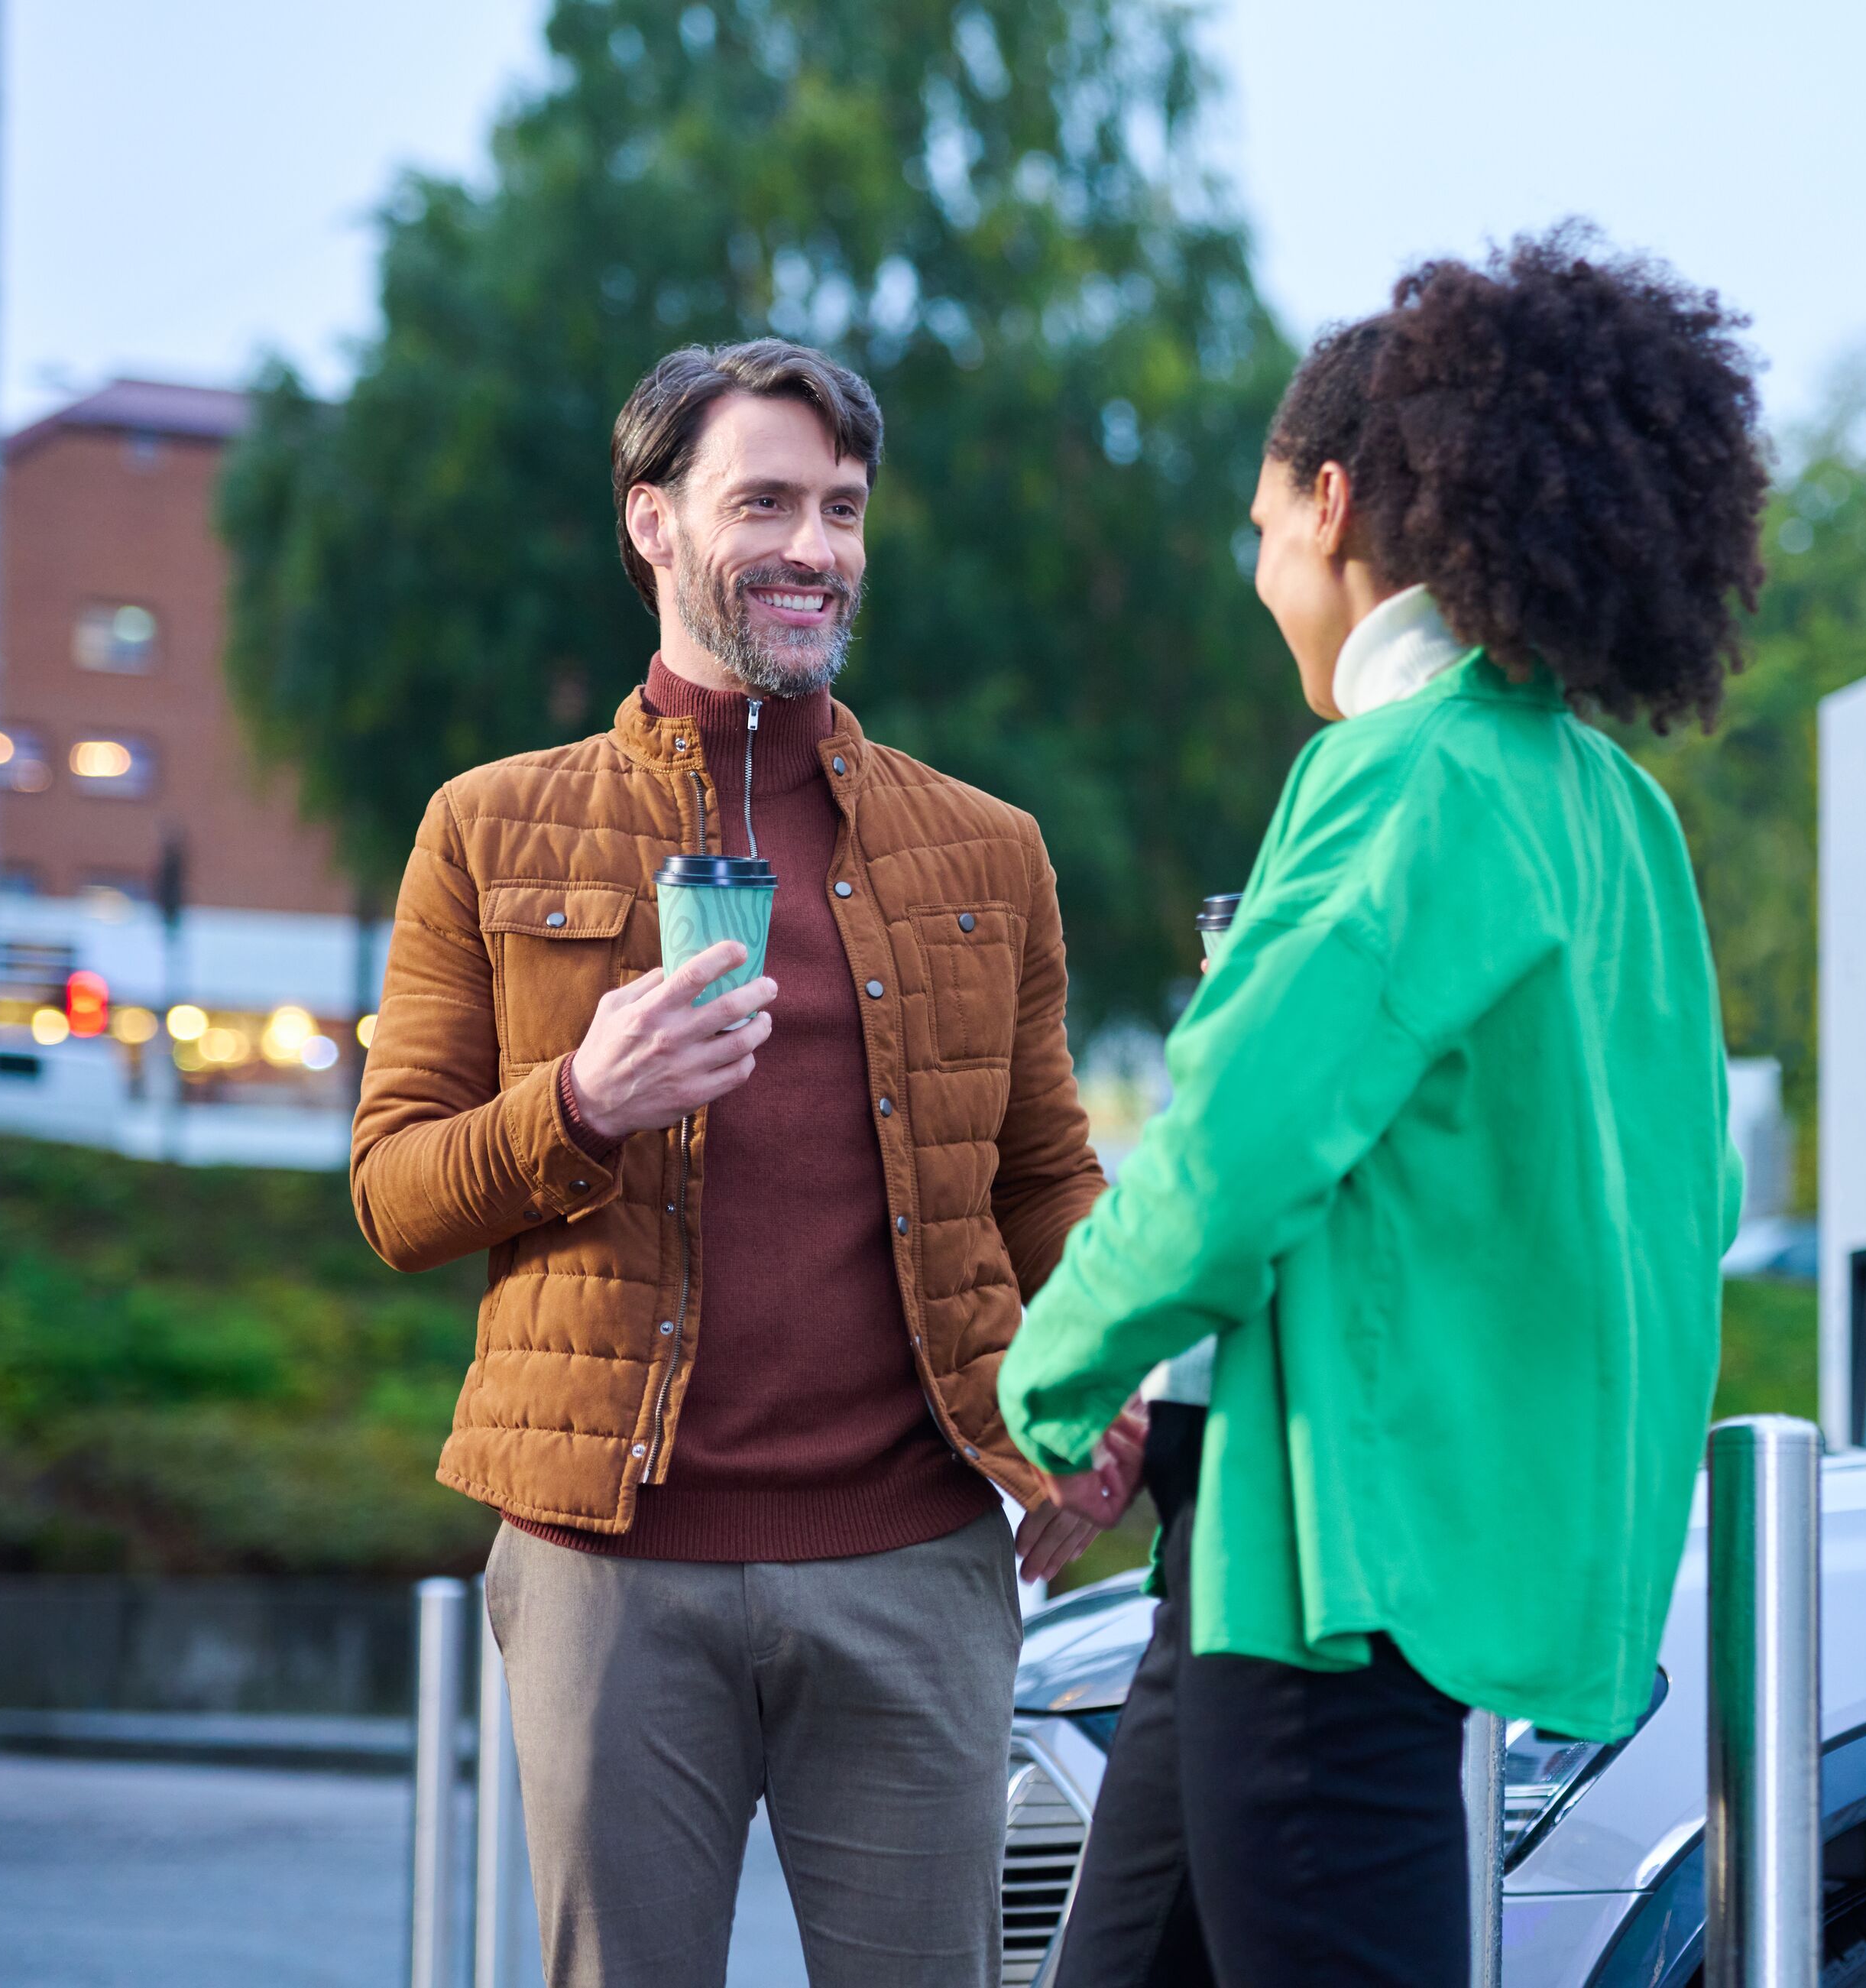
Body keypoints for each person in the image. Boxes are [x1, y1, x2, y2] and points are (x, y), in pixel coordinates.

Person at [1006, 228, 1767, 1988]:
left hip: (1329, 1574)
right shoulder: (1615, 809)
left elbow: (1225, 1157)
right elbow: (1683, 1198)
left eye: (1261, 521)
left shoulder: (1397, 775)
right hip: (1362, 1551)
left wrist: (1045, 1381)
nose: (1257, 561)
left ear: (1334, 501)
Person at [351, 337, 1136, 1988]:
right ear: (652, 521)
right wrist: (582, 1098)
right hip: (604, 1567)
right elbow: (396, 1189)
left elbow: (1049, 1178)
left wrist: (1100, 1388)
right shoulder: (488, 828)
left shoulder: (985, 850)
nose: (815, 545)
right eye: (764, 499)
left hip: (917, 1557)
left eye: (841, 508)